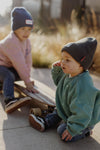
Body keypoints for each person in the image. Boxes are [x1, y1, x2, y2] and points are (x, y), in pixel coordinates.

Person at [29, 37, 100, 142]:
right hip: (67, 110)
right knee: (58, 112)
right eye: (62, 59)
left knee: (62, 131)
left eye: (67, 60)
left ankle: (86, 131)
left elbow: (83, 112)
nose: (63, 62)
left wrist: (72, 129)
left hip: (84, 120)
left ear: (81, 64)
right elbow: (58, 82)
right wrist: (57, 70)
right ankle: (46, 122)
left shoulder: (83, 85)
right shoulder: (70, 73)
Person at [0, 7, 36, 112]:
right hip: (1, 66)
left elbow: (28, 60)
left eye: (29, 29)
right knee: (9, 75)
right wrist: (27, 83)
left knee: (18, 75)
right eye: (22, 29)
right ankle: (9, 100)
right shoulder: (12, 42)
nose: (26, 32)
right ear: (15, 28)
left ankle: (2, 84)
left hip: (8, 66)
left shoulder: (27, 41)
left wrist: (27, 78)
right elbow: (19, 63)